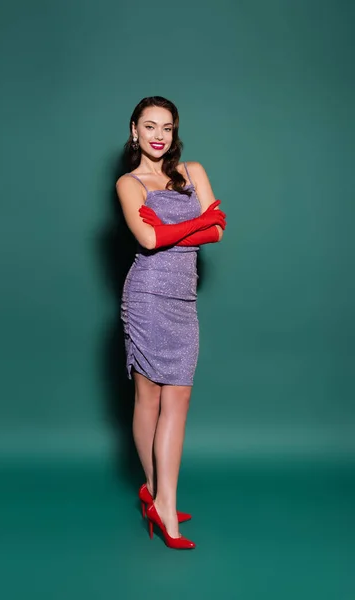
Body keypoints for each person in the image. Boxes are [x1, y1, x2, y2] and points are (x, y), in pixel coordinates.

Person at [116, 96, 226, 549]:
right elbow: (146, 238)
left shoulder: (192, 171)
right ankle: (160, 500)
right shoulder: (129, 183)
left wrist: (170, 229)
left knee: (178, 398)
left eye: (167, 127)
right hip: (146, 295)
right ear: (135, 130)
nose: (159, 135)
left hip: (183, 298)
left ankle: (161, 498)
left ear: (174, 132)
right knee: (149, 397)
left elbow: (218, 231)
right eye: (150, 126)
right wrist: (196, 222)